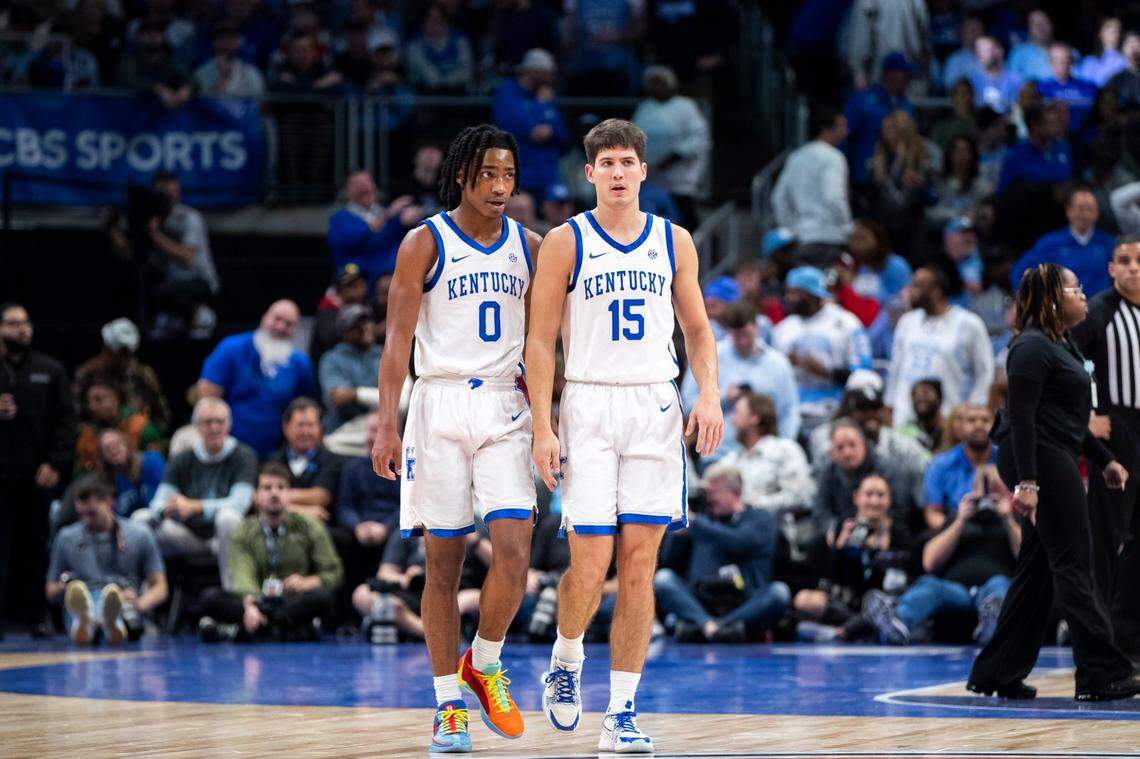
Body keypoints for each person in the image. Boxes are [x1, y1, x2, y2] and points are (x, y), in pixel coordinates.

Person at [525, 118, 723, 752]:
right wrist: (541, 424)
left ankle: (621, 713)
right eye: (604, 163)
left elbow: (696, 329)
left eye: (625, 162)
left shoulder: (674, 240)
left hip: (654, 406)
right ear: (590, 174)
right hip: (587, 403)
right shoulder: (565, 241)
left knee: (640, 563)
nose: (616, 172)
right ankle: (566, 656)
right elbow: (538, 341)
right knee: (591, 560)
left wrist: (709, 393)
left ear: (643, 171)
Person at [370, 124, 541, 751]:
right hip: (438, 401)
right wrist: (387, 421)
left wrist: (552, 418)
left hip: (504, 404)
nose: (500, 187)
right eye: (488, 174)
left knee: (515, 551)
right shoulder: (424, 242)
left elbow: (550, 339)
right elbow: (395, 343)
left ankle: (485, 661)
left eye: (509, 175)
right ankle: (448, 703)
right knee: (442, 562)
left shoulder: (532, 245)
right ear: (462, 176)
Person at [967, 263, 1140, 701]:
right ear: (1049, 297)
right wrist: (1027, 482)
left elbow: (1065, 418)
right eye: (1074, 288)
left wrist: (1104, 460)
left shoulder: (1057, 343)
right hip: (1039, 460)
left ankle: (997, 672)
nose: (1083, 295)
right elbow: (1023, 418)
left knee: (1038, 568)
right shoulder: (1028, 347)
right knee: (1074, 562)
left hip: (1052, 452)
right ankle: (1101, 673)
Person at [1070, 236, 1140, 660]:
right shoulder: (1098, 311)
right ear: (1112, 269)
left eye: (1139, 261)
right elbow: (1068, 360)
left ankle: (1130, 637)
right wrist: (1087, 413)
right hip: (1117, 430)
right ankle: (1101, 641)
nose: (1133, 268)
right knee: (1109, 537)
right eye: (1125, 261)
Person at [865, 461, 1019, 646]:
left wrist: (1008, 519)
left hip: (993, 587)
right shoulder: (957, 518)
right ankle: (897, 622)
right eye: (983, 491)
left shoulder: (1014, 522)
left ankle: (994, 624)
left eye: (995, 491)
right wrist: (960, 521)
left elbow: (1026, 558)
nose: (988, 497)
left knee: (999, 585)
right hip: (956, 591)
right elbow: (929, 562)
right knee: (930, 585)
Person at [197, 463, 343, 643]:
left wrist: (308, 581)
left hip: (292, 601)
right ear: (255, 496)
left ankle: (251, 629)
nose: (274, 493)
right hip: (256, 599)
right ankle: (289, 629)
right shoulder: (242, 532)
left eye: (281, 487)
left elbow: (333, 571)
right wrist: (252, 605)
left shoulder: (310, 527)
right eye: (267, 488)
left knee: (323, 597)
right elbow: (241, 575)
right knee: (209, 598)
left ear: (289, 494)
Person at [0, 303, 74, 636]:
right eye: (14, 323)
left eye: (26, 322)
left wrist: (56, 463)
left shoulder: (51, 369)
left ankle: (38, 616)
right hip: (2, 474)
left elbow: (65, 422)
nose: (23, 329)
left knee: (36, 544)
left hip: (37, 473)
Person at [655, 463, 789, 643]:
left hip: (744, 601)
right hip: (701, 600)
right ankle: (716, 628)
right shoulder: (702, 521)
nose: (708, 499)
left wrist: (694, 523)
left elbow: (739, 541)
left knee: (779, 592)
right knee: (663, 579)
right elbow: (668, 560)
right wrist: (677, 534)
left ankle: (707, 628)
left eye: (712, 492)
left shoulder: (760, 519)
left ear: (734, 492)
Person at [135, 398, 256, 587]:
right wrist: (166, 509)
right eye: (208, 422)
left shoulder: (244, 456)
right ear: (197, 427)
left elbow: (240, 503)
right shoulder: (182, 459)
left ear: (229, 426)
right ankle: (141, 602)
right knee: (140, 519)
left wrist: (196, 507)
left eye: (220, 422)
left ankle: (234, 598)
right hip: (188, 536)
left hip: (225, 536)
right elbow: (159, 501)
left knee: (228, 518)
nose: (214, 428)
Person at [46, 475, 167, 645]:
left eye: (92, 513)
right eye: (81, 514)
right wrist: (65, 586)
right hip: (84, 597)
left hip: (123, 600)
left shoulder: (139, 534)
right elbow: (51, 591)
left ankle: (103, 622)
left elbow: (161, 586)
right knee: (83, 604)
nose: (86, 520)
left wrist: (139, 603)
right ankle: (92, 622)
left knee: (113, 602)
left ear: (109, 503)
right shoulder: (67, 537)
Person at [793, 473, 912, 642]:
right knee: (804, 599)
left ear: (889, 500)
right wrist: (840, 549)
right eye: (869, 495)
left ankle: (842, 632)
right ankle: (860, 630)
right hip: (847, 603)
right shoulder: (843, 527)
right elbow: (829, 579)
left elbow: (900, 579)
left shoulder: (898, 532)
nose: (874, 501)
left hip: (883, 602)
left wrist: (880, 552)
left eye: (880, 495)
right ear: (856, 497)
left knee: (890, 604)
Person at [198, 300, 317, 457]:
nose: (280, 327)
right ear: (264, 317)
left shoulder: (300, 363)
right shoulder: (231, 348)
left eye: (288, 324)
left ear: (295, 330)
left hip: (276, 453)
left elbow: (304, 407)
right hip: (228, 448)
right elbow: (207, 396)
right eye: (277, 319)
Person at [886, 262, 994, 429]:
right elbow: (895, 369)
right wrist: (889, 406)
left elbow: (985, 372)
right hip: (905, 415)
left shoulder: (969, 324)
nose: (909, 292)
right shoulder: (907, 321)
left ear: (936, 290)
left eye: (917, 286)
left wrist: (972, 410)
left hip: (947, 417)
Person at [771, 266, 873, 433]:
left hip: (835, 411)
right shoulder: (783, 329)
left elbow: (863, 376)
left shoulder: (846, 324)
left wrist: (826, 372)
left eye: (796, 293)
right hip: (793, 412)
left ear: (813, 294)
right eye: (788, 292)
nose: (789, 298)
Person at [681, 302, 799, 444]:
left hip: (767, 453)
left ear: (757, 328)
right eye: (737, 336)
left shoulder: (778, 364)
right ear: (728, 332)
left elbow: (789, 412)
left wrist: (784, 447)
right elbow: (687, 405)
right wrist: (722, 398)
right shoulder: (709, 357)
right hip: (719, 451)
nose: (743, 341)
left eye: (747, 334)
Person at [631, 65, 710, 231]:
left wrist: (673, 157)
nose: (656, 88)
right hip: (652, 176)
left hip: (680, 177)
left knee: (686, 217)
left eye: (660, 83)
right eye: (653, 84)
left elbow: (699, 137)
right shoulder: (645, 108)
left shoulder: (685, 106)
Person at [771, 105, 853, 265]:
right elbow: (833, 197)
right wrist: (847, 226)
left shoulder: (796, 156)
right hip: (830, 238)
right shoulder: (834, 157)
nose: (847, 131)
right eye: (842, 126)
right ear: (825, 129)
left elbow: (778, 198)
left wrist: (792, 227)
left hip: (802, 239)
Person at [148, 172, 221, 338]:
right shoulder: (152, 219)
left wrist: (155, 236)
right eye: (163, 193)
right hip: (169, 283)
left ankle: (199, 314)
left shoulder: (189, 218)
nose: (169, 197)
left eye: (173, 192)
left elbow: (187, 256)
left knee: (165, 291)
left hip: (200, 281)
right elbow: (129, 254)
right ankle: (175, 316)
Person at [1010, 186, 1116, 298]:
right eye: (1080, 208)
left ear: (1097, 213)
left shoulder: (1109, 244)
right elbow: (1020, 272)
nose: (1085, 214)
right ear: (1069, 211)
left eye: (1090, 209)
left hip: (1099, 309)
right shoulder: (1050, 243)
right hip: (1060, 308)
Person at [721, 392, 815, 514]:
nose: (732, 420)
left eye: (737, 413)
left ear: (754, 418)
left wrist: (752, 506)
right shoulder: (733, 458)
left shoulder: (785, 450)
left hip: (775, 529)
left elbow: (800, 496)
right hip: (735, 529)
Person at [492, 48, 568, 198]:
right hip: (520, 174)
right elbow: (515, 127)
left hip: (549, 174)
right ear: (533, 71)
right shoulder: (508, 92)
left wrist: (543, 107)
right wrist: (540, 105)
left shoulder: (547, 95)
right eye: (547, 73)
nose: (551, 78)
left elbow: (562, 133)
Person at [75, 318, 172, 435]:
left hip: (137, 440)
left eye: (128, 352)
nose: (125, 357)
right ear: (106, 348)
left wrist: (145, 430)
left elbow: (163, 418)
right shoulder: (87, 374)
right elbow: (74, 419)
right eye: (120, 352)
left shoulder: (143, 374)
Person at [336, 414, 400, 587]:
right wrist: (357, 526)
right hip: (360, 527)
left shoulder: (406, 469)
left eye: (379, 431)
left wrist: (385, 527)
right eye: (371, 431)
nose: (373, 437)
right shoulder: (352, 468)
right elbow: (345, 506)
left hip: (393, 528)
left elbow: (408, 507)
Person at [327, 172, 421, 288]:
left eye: (367, 182)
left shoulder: (390, 215)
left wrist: (409, 222)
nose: (363, 186)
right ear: (347, 191)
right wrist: (387, 216)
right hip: (359, 284)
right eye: (357, 184)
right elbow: (350, 241)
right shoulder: (340, 218)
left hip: (393, 281)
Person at [267, 398, 342, 525]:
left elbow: (321, 497)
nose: (306, 432)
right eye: (300, 425)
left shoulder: (332, 460)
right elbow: (260, 499)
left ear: (319, 428)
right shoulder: (272, 461)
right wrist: (301, 510)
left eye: (311, 425)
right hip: (278, 526)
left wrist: (278, 499)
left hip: (321, 528)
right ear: (285, 427)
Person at [923, 404, 997, 530]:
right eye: (971, 420)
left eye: (985, 420)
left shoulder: (1010, 460)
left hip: (1002, 533)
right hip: (957, 534)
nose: (979, 425)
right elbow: (933, 513)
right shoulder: (940, 464)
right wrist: (957, 530)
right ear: (960, 428)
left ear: (996, 427)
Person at [844, 52, 914, 185]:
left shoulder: (906, 105)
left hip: (900, 178)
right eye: (905, 75)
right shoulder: (863, 101)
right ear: (890, 74)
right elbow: (845, 137)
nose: (908, 79)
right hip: (865, 178)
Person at [996, 104, 1072, 194]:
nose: (1055, 127)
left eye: (1056, 122)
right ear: (1035, 126)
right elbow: (1003, 191)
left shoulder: (1062, 148)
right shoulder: (1016, 156)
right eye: (1050, 123)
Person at [404, 3, 473, 95]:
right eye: (430, 19)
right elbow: (430, 77)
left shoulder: (460, 41)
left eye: (439, 19)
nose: (435, 23)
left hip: (456, 93)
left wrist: (446, 81)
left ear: (446, 21)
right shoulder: (414, 45)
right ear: (423, 22)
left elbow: (466, 72)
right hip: (425, 95)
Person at [311, 263, 370, 371]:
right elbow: (329, 339)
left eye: (361, 283)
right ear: (339, 289)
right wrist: (358, 332)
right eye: (352, 285)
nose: (359, 288)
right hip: (331, 373)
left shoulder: (367, 307)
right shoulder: (328, 310)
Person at [1038, 43, 1099, 133]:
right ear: (1050, 63)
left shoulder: (1089, 87)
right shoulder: (1041, 89)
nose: (1061, 63)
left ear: (1072, 61)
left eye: (1065, 58)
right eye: (1056, 59)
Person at [193, 22, 266, 97]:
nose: (225, 43)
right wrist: (223, 77)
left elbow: (258, 103)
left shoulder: (251, 72)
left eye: (230, 38)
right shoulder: (202, 72)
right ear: (213, 43)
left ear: (237, 43)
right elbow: (202, 102)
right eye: (220, 38)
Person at [898, 378, 954, 454]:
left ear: (939, 399)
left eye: (926, 393)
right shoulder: (905, 431)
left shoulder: (951, 430)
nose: (920, 398)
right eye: (915, 394)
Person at [970, 36, 1023, 115]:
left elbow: (1018, 108)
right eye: (978, 50)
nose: (979, 54)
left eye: (985, 50)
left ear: (998, 52)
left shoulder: (1014, 80)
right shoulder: (972, 80)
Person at [1076, 18, 1128, 86]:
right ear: (1100, 34)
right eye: (1109, 27)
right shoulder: (1088, 61)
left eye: (1118, 29)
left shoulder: (1126, 61)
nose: (1115, 31)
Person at [1007, 10, 1054, 82]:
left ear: (1052, 26)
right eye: (1037, 24)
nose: (1041, 28)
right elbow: (1012, 82)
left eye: (1045, 24)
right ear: (1029, 28)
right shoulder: (1018, 53)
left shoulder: (1069, 52)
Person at [941, 15, 984, 91]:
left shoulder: (992, 57)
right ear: (963, 33)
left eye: (979, 30)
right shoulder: (954, 60)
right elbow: (949, 86)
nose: (976, 34)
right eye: (972, 31)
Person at [1106, 32, 1140, 110]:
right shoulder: (1115, 80)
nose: (1134, 47)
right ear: (1122, 49)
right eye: (1130, 43)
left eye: (1138, 43)